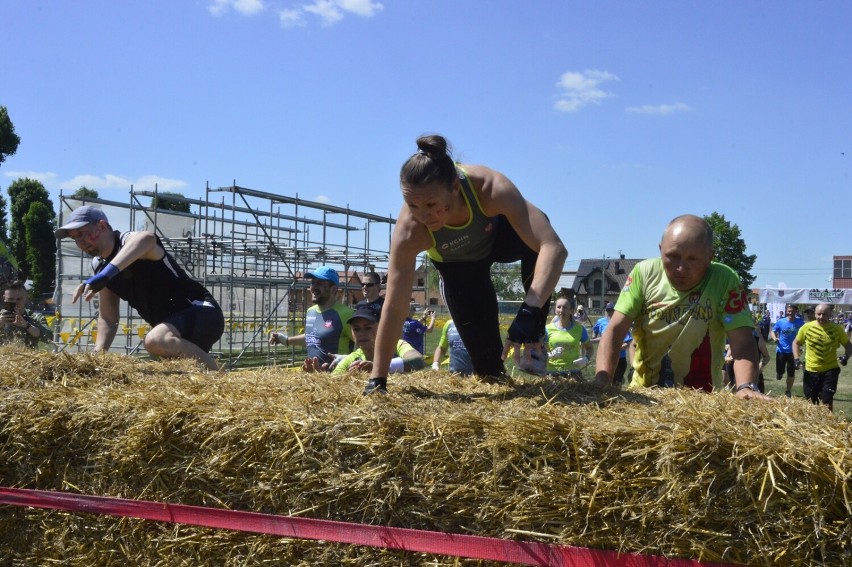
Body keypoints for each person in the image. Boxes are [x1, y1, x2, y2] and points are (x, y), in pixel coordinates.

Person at [364, 134, 567, 394]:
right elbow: (394, 305)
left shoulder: (490, 187)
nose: (423, 216)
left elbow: (554, 247)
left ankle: (535, 335)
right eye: (412, 205)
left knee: (539, 225)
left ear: (455, 188)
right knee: (488, 370)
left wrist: (531, 310)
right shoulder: (409, 231)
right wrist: (377, 378)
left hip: (499, 238)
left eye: (431, 204)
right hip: (460, 267)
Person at [594, 214, 766, 399]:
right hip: (645, 395)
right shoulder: (643, 273)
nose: (681, 268)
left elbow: (742, 342)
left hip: (704, 401)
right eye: (673, 256)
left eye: (693, 259)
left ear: (710, 257)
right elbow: (614, 331)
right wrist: (602, 383)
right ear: (660, 250)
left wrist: (746, 386)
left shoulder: (724, 279)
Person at [57, 206, 224, 370]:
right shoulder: (99, 266)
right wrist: (96, 357)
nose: (80, 243)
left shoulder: (128, 241)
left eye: (81, 234)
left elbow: (148, 238)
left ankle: (219, 377)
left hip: (203, 312)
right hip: (173, 329)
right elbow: (108, 318)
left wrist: (105, 276)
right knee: (171, 369)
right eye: (74, 238)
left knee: (155, 341)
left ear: (102, 226)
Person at [269, 266, 353, 372]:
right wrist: (286, 340)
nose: (313, 287)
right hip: (314, 378)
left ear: (333, 289)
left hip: (337, 380)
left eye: (320, 283)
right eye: (313, 283)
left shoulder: (346, 315)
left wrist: (348, 359)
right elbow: (313, 337)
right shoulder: (311, 311)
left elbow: (367, 345)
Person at [792, 303, 852, 413]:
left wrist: (846, 356)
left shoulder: (837, 329)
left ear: (830, 315)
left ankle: (829, 423)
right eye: (819, 314)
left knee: (827, 399)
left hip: (830, 370)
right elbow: (796, 343)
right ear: (815, 314)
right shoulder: (806, 327)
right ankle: (813, 425)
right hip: (811, 370)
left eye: (825, 314)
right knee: (811, 401)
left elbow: (848, 345)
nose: (821, 317)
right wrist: (796, 359)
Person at [333, 306, 423, 375]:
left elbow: (418, 361)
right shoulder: (352, 359)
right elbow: (332, 382)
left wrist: (378, 368)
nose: (361, 333)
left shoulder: (396, 345)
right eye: (356, 329)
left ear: (382, 328)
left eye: (368, 328)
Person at [545, 296, 593, 377]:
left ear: (571, 311)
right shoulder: (547, 329)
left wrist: (586, 358)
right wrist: (549, 355)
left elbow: (590, 348)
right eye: (559, 307)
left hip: (573, 373)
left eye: (565, 307)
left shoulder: (580, 329)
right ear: (555, 310)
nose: (561, 310)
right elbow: (539, 350)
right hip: (552, 373)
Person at [0, 281, 52, 348]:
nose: (15, 302)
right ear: (4, 298)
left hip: (27, 357)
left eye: (19, 299)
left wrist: (26, 325)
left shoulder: (35, 317)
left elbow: (49, 339)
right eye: (10, 299)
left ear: (26, 298)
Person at [591, 302, 632, 385]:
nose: (610, 312)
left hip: (620, 358)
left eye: (612, 310)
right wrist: (594, 336)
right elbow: (594, 330)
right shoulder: (600, 321)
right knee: (605, 382)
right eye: (608, 310)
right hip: (605, 357)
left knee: (617, 383)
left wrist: (613, 348)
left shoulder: (621, 322)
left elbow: (627, 344)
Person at [769, 304, 804, 397]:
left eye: (792, 311)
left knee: (791, 372)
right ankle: (779, 373)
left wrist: (802, 345)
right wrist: (774, 338)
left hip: (793, 352)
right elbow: (773, 331)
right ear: (786, 311)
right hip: (781, 351)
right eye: (789, 311)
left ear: (796, 312)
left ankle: (788, 391)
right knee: (780, 371)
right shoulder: (781, 322)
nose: (790, 313)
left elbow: (805, 334)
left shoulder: (800, 323)